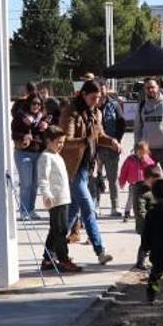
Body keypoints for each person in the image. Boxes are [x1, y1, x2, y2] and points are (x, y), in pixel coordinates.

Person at [58, 80, 120, 265]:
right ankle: (100, 250)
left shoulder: (96, 113)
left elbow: (99, 135)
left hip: (87, 167)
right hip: (73, 167)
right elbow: (65, 140)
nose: (96, 101)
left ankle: (51, 251)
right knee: (88, 208)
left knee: (71, 214)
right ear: (83, 95)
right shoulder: (70, 112)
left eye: (99, 98)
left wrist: (112, 141)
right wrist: (85, 140)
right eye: (93, 98)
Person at [36, 126, 82, 273]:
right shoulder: (45, 157)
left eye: (62, 142)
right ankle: (63, 259)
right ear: (48, 141)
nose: (61, 145)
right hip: (55, 200)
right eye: (58, 142)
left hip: (64, 198)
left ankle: (47, 259)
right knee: (61, 230)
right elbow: (43, 179)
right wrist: (46, 195)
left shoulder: (57, 155)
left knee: (55, 230)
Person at [134, 77, 163, 195]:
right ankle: (150, 205)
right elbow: (138, 128)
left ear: (158, 87)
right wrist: (137, 146)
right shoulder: (142, 105)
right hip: (148, 150)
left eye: (152, 87)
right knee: (146, 180)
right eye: (147, 88)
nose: (150, 90)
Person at [11, 93, 48, 220]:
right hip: (23, 153)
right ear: (29, 104)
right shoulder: (20, 117)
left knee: (34, 184)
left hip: (39, 153)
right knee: (26, 183)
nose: (36, 106)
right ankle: (24, 211)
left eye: (38, 104)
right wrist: (23, 136)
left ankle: (31, 210)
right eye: (33, 103)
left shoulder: (42, 118)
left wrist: (46, 128)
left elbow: (50, 134)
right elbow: (13, 134)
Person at [95, 81, 126, 216]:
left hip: (111, 147)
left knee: (112, 178)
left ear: (107, 90)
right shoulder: (91, 105)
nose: (101, 94)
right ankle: (95, 206)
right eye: (99, 91)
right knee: (95, 178)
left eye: (103, 90)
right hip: (95, 148)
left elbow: (122, 124)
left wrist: (117, 140)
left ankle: (115, 206)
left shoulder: (114, 105)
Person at [132, 165, 163, 270]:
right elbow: (140, 209)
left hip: (155, 221)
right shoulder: (141, 191)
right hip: (145, 223)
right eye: (154, 181)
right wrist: (147, 221)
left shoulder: (154, 190)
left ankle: (155, 260)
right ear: (147, 179)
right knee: (145, 243)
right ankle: (140, 262)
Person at [118, 141, 157, 222]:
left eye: (143, 152)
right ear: (136, 151)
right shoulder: (130, 159)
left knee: (146, 198)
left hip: (145, 184)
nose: (141, 154)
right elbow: (124, 171)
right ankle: (127, 212)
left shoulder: (148, 160)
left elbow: (152, 168)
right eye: (139, 152)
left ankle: (147, 212)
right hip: (133, 184)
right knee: (131, 199)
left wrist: (144, 160)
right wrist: (122, 181)